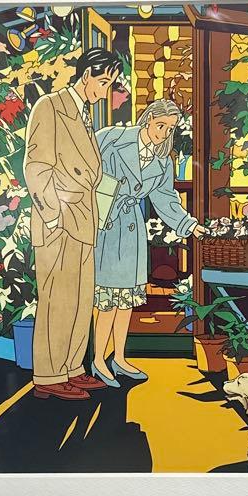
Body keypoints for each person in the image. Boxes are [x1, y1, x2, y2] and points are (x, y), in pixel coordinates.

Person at [23, 48, 121, 400]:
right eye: (104, 82)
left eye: (110, 83)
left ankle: (72, 368)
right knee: (56, 299)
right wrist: (53, 215)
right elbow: (36, 166)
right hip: (60, 222)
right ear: (86, 75)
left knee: (79, 301)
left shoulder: (83, 114)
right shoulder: (50, 106)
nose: (106, 91)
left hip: (83, 221)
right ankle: (49, 375)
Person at [91, 99, 205, 386]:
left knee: (126, 300)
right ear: (148, 119)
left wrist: (189, 225)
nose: (164, 133)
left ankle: (119, 358)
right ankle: (98, 360)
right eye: (160, 125)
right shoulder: (113, 138)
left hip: (132, 231)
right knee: (107, 300)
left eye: (170, 129)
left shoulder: (163, 161)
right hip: (105, 224)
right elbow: (84, 164)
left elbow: (165, 199)